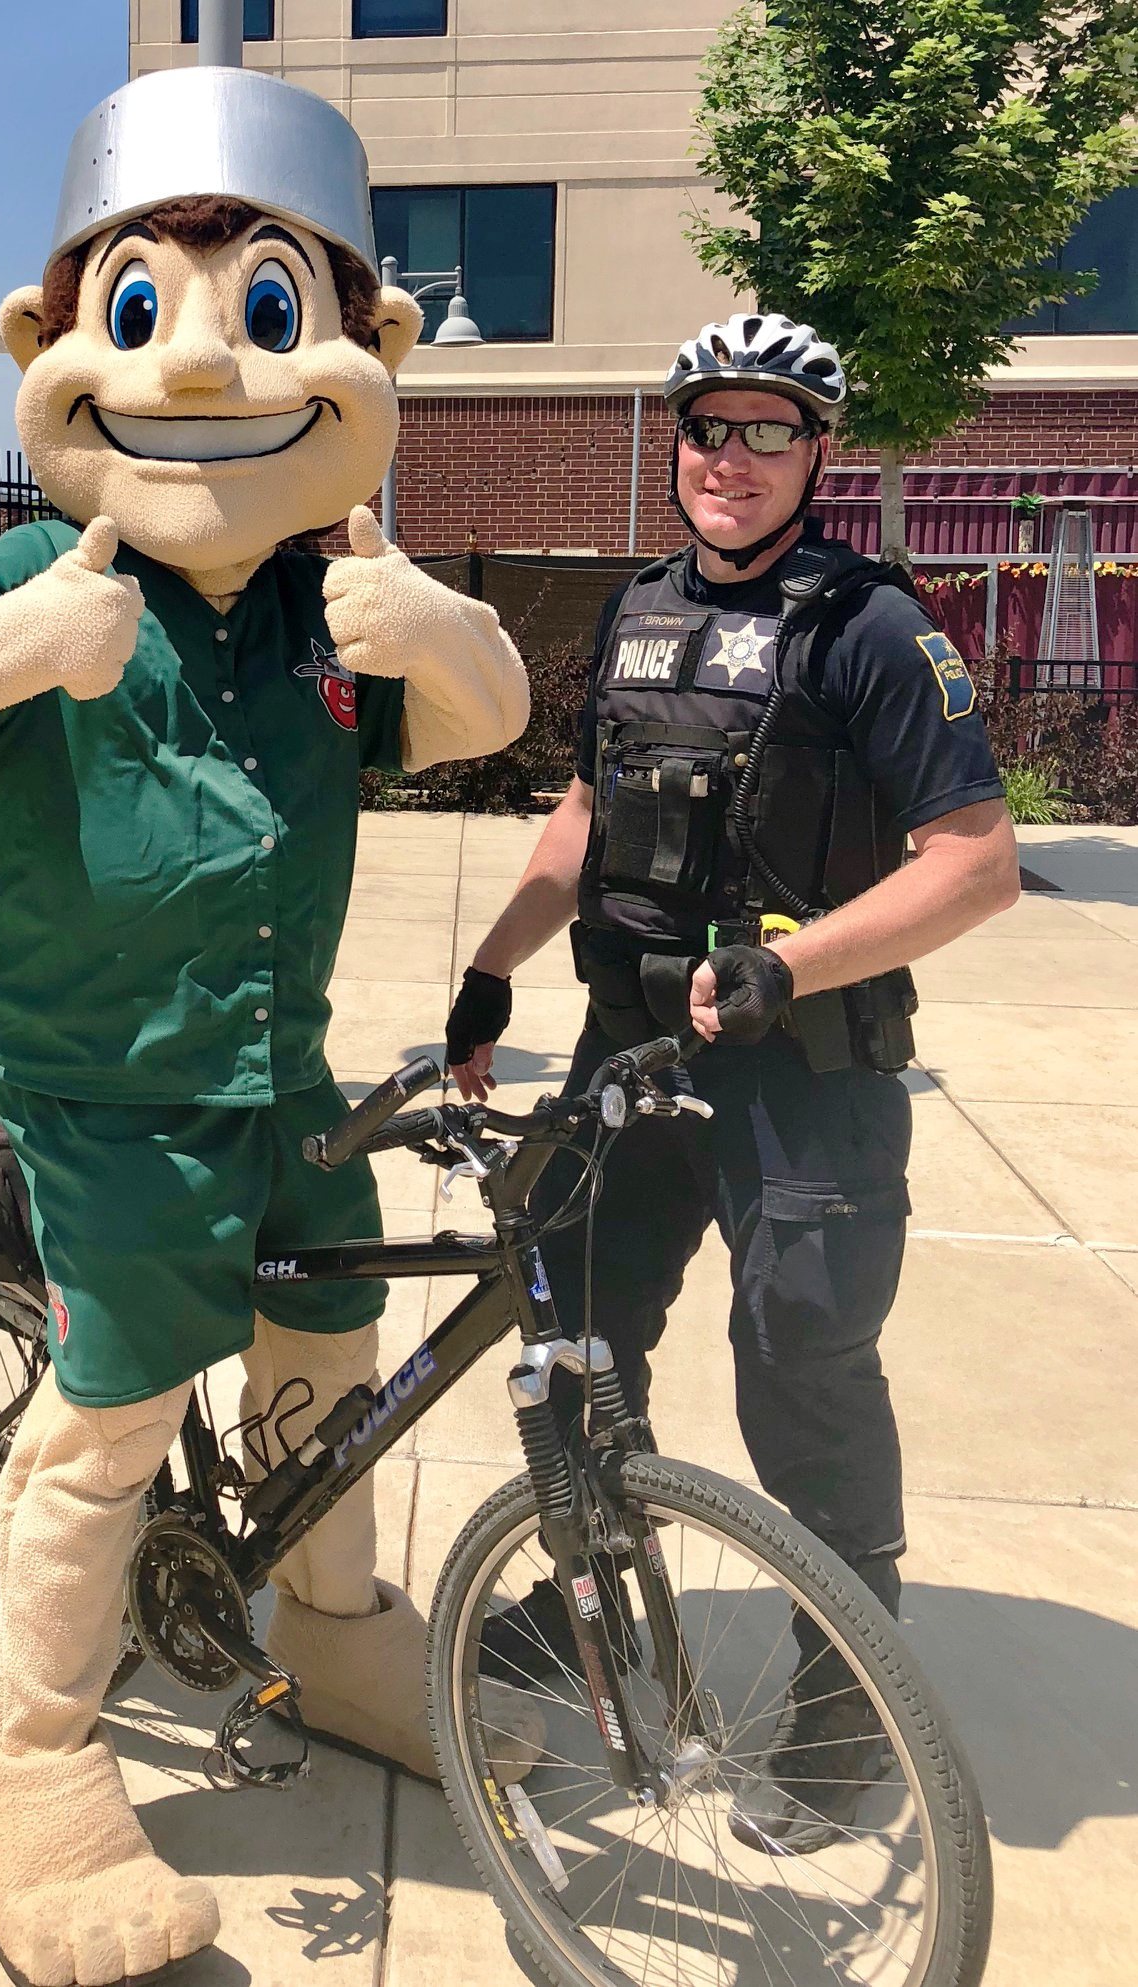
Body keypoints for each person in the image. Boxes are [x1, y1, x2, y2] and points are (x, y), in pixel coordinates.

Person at [0, 67, 530, 1987]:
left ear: (354, 349)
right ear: (62, 342)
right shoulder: (45, 573)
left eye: (265, 310)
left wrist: (431, 628)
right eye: (143, 309)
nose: (204, 364)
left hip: (282, 1076)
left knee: (329, 1350)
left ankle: (337, 1624)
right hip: (100, 1093)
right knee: (109, 1425)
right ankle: (31, 1755)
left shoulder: (320, 590)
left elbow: (493, 717)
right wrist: (9, 650)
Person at [445, 312, 1020, 1852]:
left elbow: (976, 869)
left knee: (805, 1372)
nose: (731, 459)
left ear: (818, 451)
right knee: (575, 1343)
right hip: (623, 1061)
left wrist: (790, 964)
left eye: (768, 430)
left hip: (799, 1077)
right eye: (708, 427)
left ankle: (843, 1718)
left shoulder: (879, 631)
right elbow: (582, 812)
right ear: (678, 441)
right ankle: (598, 1612)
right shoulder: (636, 613)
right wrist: (493, 966)